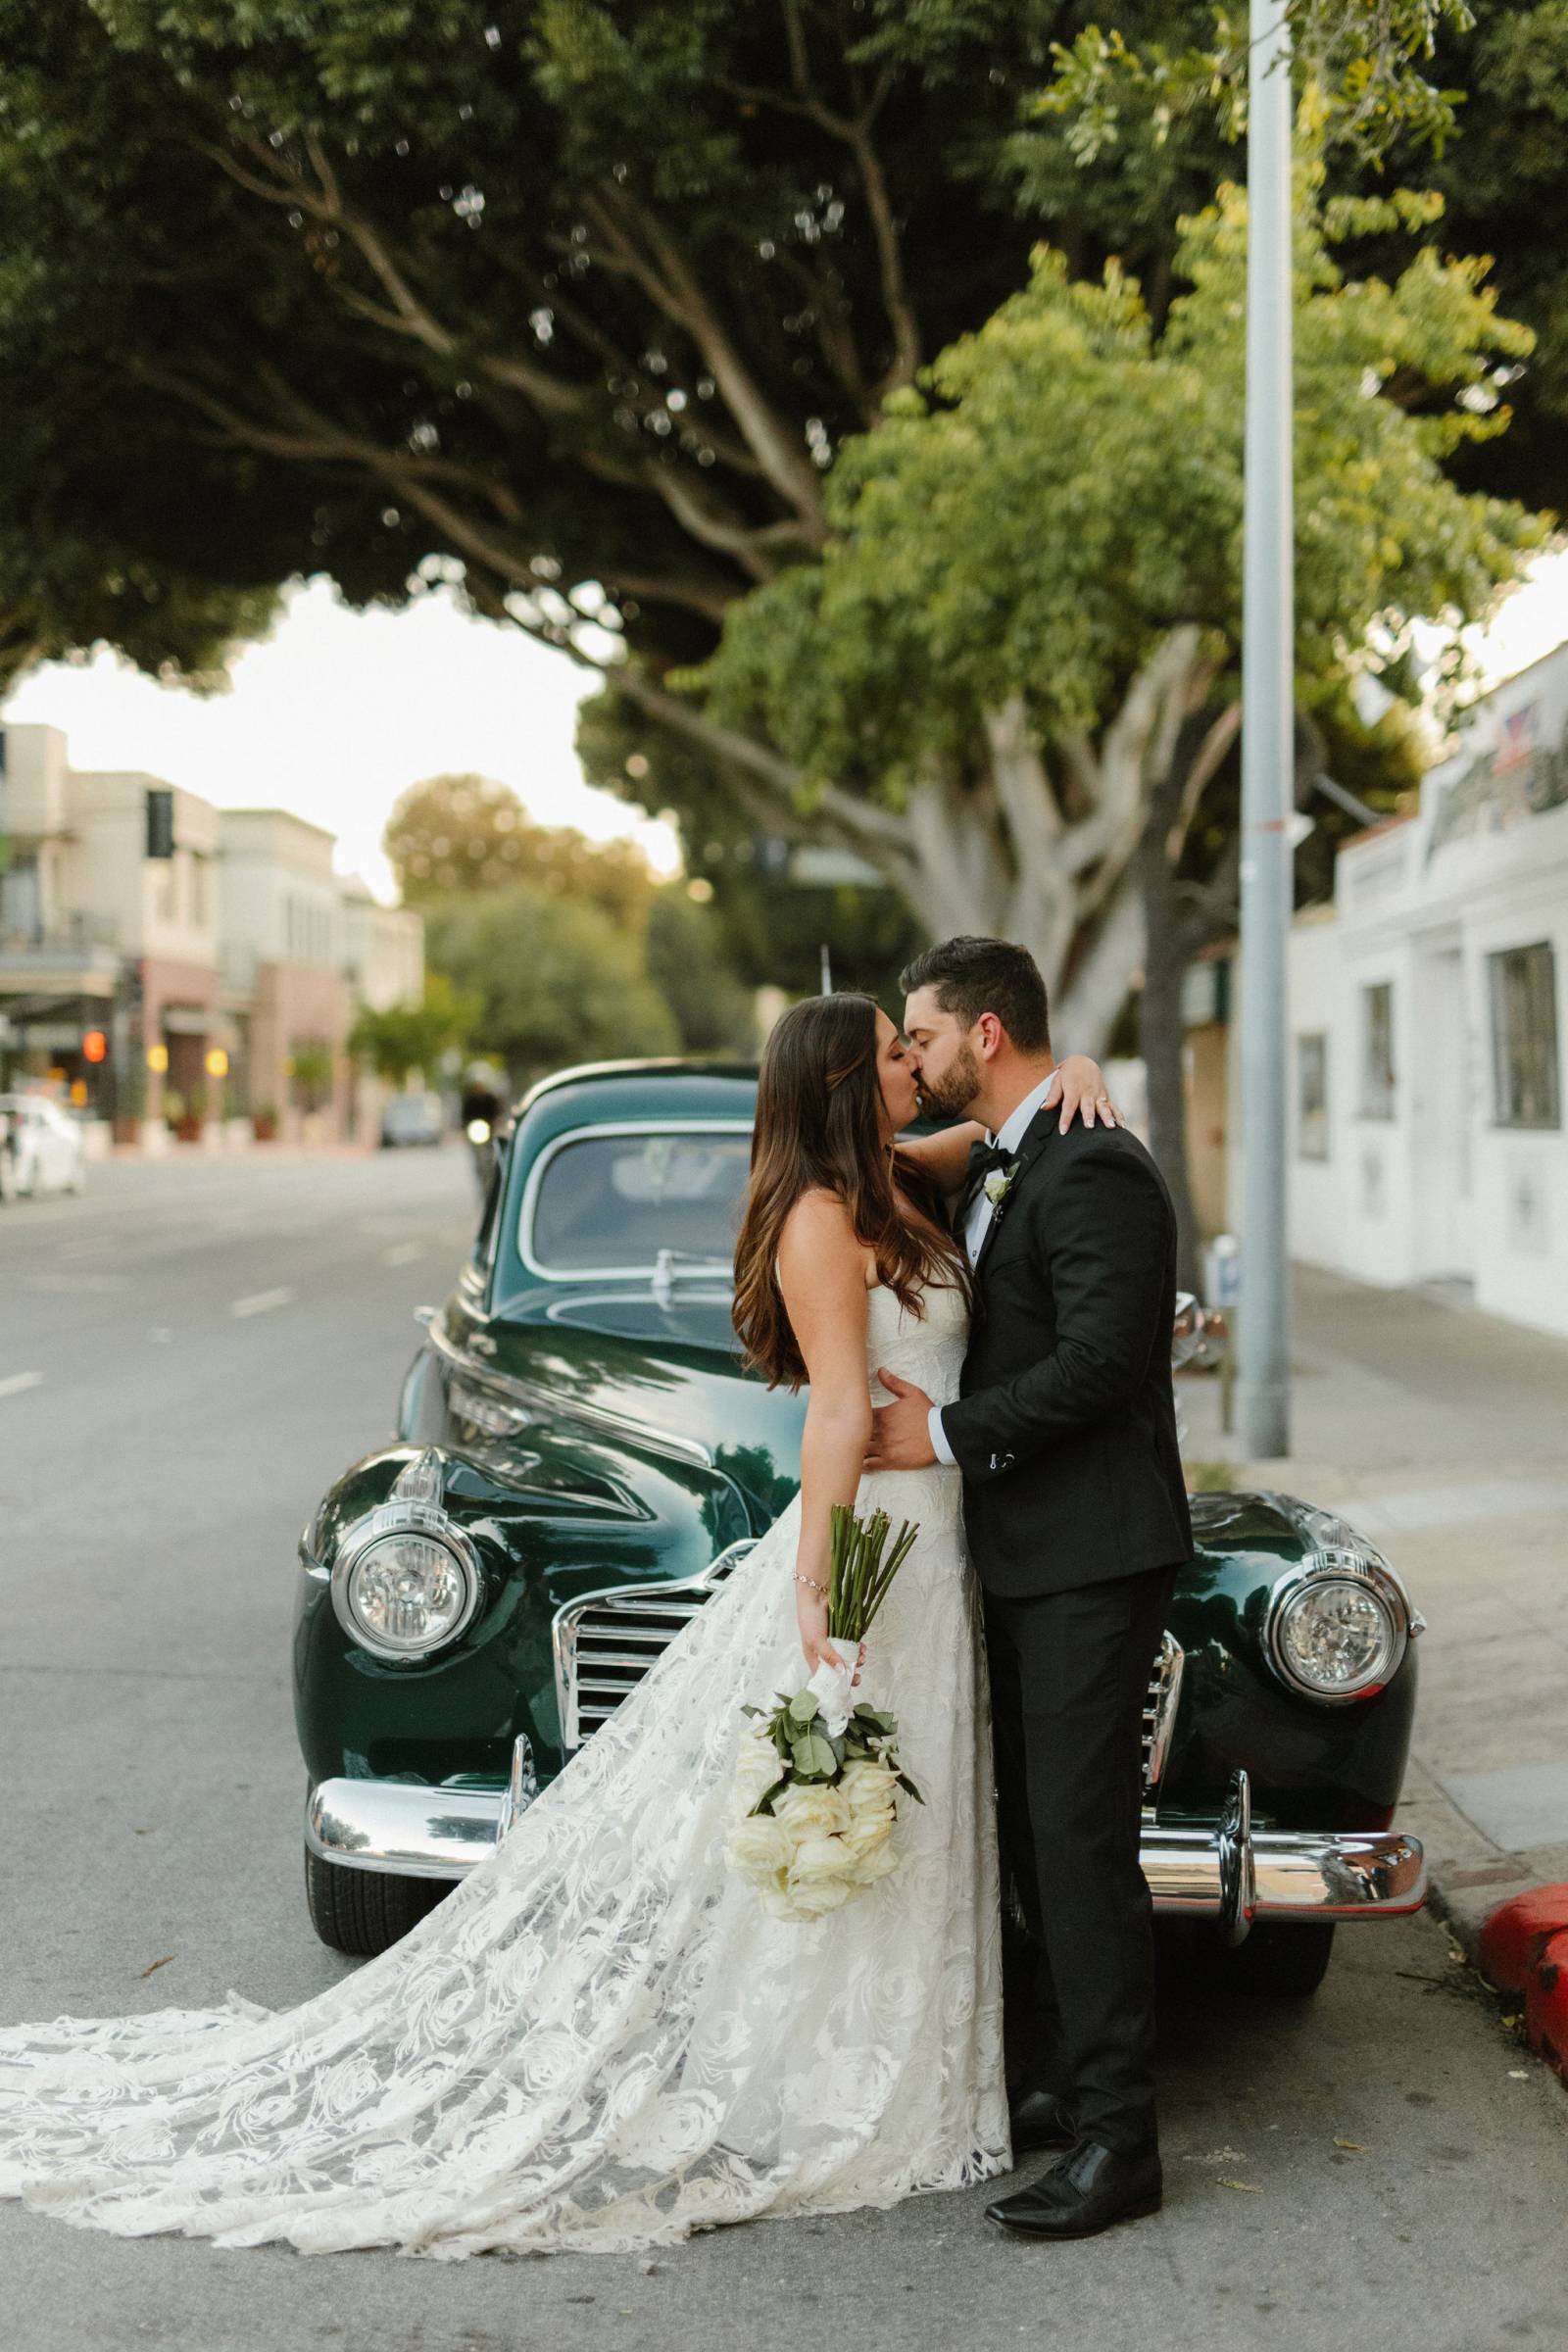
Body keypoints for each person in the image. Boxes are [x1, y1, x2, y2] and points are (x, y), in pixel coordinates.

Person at [0, 996, 1117, 2259]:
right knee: (841, 1798)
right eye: (893, 1051)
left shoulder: (907, 1177)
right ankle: (819, 2074)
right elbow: (836, 1413)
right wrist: (817, 1581)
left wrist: (1075, 1065)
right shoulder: (819, 1216)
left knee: (917, 1813)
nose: (915, 1062)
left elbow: (1015, 1126)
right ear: (846, 1083)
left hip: (945, 1537)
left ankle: (909, 2056)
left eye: (915, 1043)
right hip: (881, 1544)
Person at [866, 935, 1193, 2241]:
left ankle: (1122, 2141)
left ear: (985, 1034)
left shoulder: (1094, 1161)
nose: (916, 1057)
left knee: (1080, 1842)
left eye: (924, 1035)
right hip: (1024, 1553)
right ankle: (1062, 2077)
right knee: (1033, 1836)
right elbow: (861, 1152)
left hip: (1093, 1557)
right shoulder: (1011, 1149)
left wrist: (941, 1436)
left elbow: (1105, 1362)